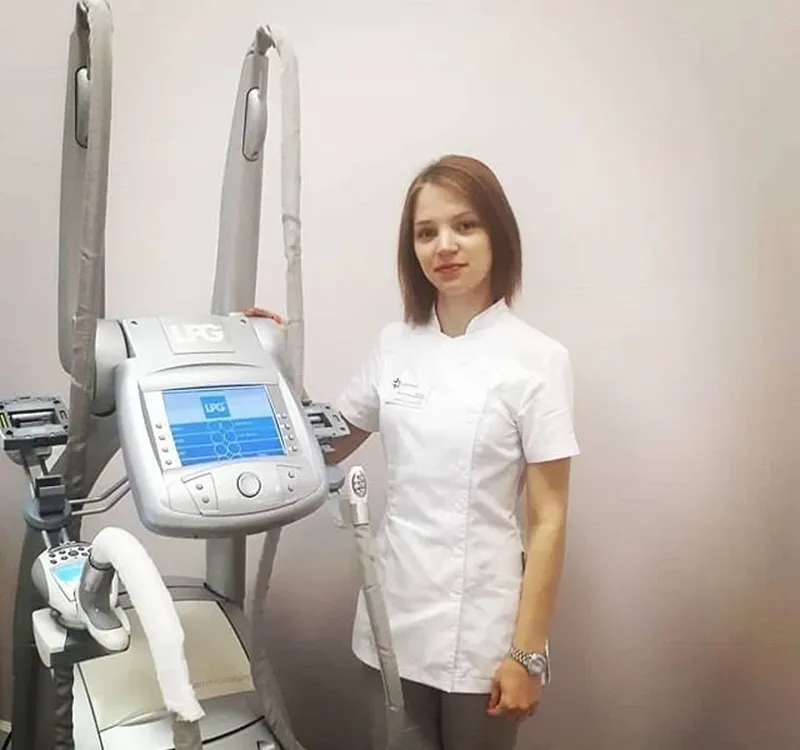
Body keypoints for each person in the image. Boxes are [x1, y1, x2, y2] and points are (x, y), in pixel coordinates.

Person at [244, 154, 580, 750]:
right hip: (393, 617)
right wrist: (263, 359)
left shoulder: (539, 360)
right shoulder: (395, 345)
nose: (444, 246)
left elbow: (549, 520)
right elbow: (322, 445)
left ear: (498, 236)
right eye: (426, 233)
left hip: (485, 629)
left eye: (465, 226)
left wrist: (527, 654)